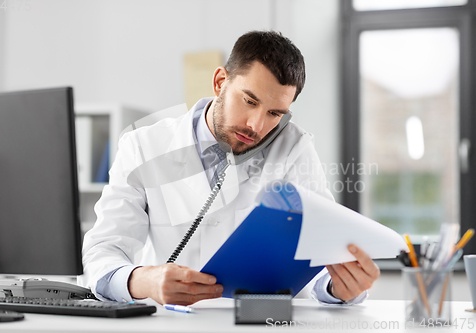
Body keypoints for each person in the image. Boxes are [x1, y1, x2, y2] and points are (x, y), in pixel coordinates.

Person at [79, 30, 380, 306]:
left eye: (275, 113)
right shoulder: (143, 146)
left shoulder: (295, 149)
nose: (256, 125)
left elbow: (323, 254)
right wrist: (142, 280)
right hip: (171, 320)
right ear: (220, 82)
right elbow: (103, 251)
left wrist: (339, 287)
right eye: (249, 101)